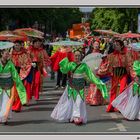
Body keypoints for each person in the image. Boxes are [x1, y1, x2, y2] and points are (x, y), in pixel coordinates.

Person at [51, 48, 108, 125]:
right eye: (76, 55)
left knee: (79, 101)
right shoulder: (71, 64)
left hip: (80, 86)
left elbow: (91, 76)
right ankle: (72, 116)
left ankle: (77, 117)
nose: (77, 57)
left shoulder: (84, 65)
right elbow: (63, 70)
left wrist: (98, 82)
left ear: (81, 56)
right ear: (74, 56)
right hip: (71, 86)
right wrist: (66, 59)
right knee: (70, 102)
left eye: (78, 55)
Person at [98, 40, 129, 112]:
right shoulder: (111, 55)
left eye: (118, 45)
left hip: (123, 74)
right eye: (115, 45)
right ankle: (111, 106)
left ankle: (121, 107)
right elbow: (106, 64)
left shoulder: (126, 55)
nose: (116, 46)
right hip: (115, 74)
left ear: (121, 46)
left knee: (122, 90)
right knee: (113, 91)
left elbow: (129, 65)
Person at [0, 41, 27, 124]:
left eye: (8, 53)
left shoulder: (10, 63)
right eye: (6, 53)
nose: (8, 55)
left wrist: (19, 84)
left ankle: (5, 118)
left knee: (7, 101)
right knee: (1, 101)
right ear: (1, 54)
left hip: (9, 85)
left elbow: (15, 75)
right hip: (0, 85)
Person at [11, 40, 32, 112]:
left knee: (19, 90)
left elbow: (28, 63)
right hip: (11, 74)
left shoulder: (24, 54)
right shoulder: (10, 53)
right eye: (15, 45)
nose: (17, 46)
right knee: (13, 91)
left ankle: (17, 107)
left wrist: (21, 66)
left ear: (21, 45)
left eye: (18, 45)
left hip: (21, 73)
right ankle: (13, 105)